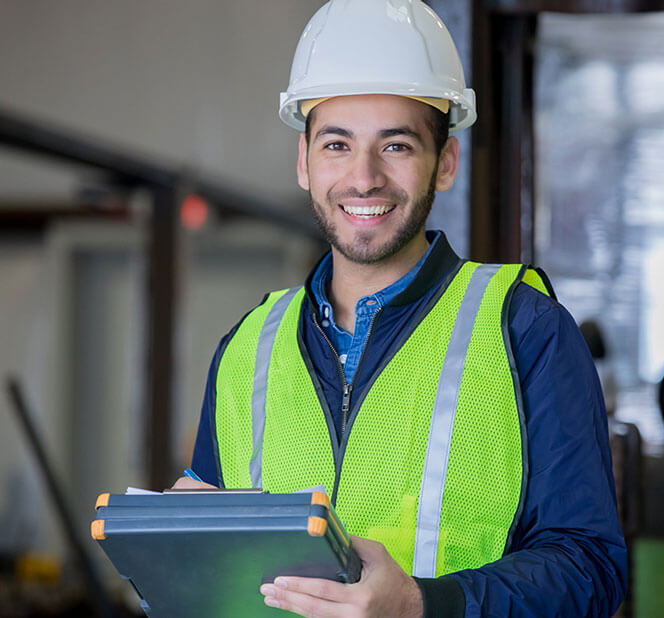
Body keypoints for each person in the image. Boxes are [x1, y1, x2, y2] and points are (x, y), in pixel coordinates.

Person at [174, 1, 627, 616]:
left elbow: (591, 572)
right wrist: (180, 546)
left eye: (396, 145)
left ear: (444, 164)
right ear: (304, 162)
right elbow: (214, 588)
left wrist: (423, 604)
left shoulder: (525, 329)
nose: (363, 178)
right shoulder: (247, 346)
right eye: (337, 144)